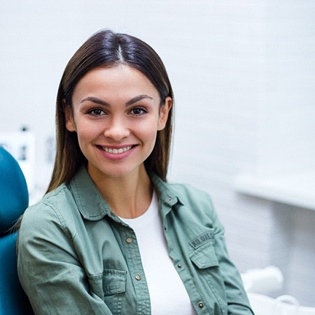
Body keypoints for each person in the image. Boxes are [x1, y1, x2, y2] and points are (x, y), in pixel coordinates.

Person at [17, 29, 254, 315]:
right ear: (69, 116)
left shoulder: (197, 207)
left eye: (138, 110)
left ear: (163, 113)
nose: (117, 132)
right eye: (96, 111)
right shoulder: (48, 227)